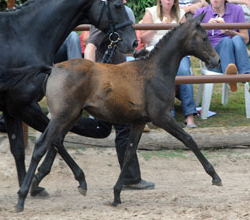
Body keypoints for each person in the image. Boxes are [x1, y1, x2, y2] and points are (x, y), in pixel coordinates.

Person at [83, 0, 155, 190]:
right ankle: (131, 178)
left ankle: (58, 126)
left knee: (102, 129)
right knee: (124, 129)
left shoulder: (124, 12)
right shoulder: (106, 14)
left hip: (117, 78)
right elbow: (91, 47)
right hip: (108, 82)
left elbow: (127, 45)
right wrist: (92, 78)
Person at [139, 0, 198, 128]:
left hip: (177, 53)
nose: (168, 1)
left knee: (184, 71)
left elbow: (187, 37)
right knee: (162, 74)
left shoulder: (180, 14)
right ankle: (167, 113)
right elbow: (143, 39)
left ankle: (190, 115)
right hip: (155, 52)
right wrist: (157, 28)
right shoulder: (151, 12)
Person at [194, 0, 250, 91]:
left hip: (237, 61)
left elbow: (246, 39)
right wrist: (206, 28)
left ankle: (245, 76)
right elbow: (193, 42)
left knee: (237, 38)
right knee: (226, 41)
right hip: (214, 62)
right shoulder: (201, 12)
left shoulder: (237, 10)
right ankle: (232, 79)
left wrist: (231, 32)